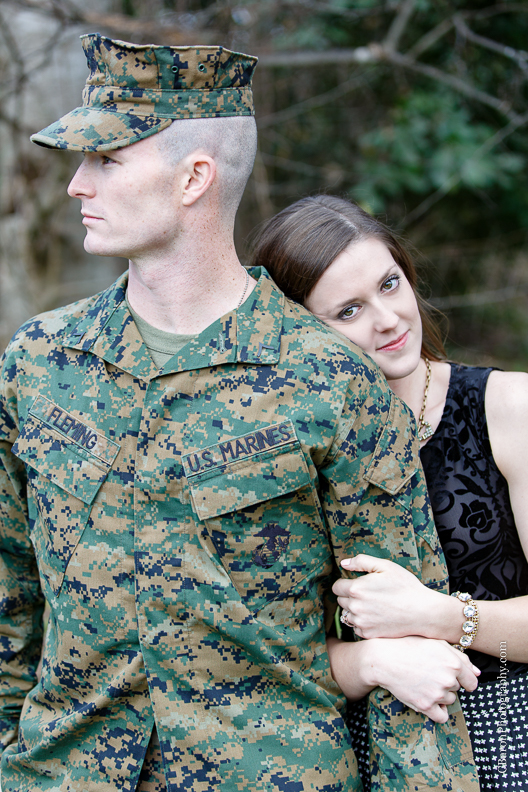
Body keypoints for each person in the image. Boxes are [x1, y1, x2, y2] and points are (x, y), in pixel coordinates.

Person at [0, 33, 482, 792]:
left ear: (194, 178)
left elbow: (410, 652)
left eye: (107, 160)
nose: (76, 186)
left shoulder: (331, 380)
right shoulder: (37, 363)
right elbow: (10, 601)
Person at [250, 193, 528, 791]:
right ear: (295, 332)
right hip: (350, 755)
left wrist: (441, 615)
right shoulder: (273, 459)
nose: (388, 318)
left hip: (505, 738)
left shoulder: (507, 408)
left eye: (390, 284)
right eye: (348, 311)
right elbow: (252, 654)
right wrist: (368, 662)